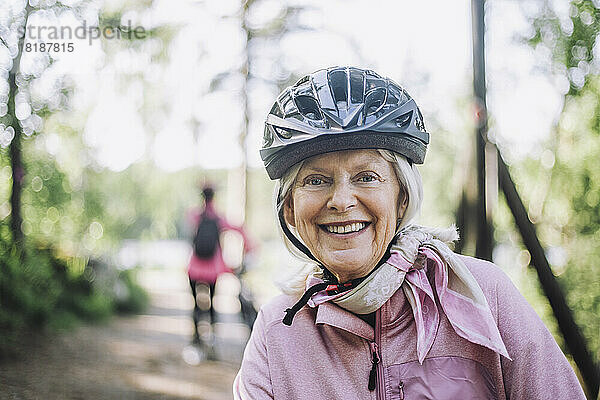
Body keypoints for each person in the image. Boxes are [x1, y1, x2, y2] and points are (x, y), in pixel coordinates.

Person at [233, 66, 586, 399]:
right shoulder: (277, 330)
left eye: (366, 177)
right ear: (290, 209)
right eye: (316, 180)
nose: (341, 201)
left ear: (402, 197)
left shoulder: (483, 295)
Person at [187, 184, 253, 343]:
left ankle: (196, 338)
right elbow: (239, 229)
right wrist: (249, 250)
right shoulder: (219, 218)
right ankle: (212, 337)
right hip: (212, 268)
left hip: (195, 266)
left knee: (196, 303)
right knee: (212, 301)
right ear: (214, 197)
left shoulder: (195, 215)